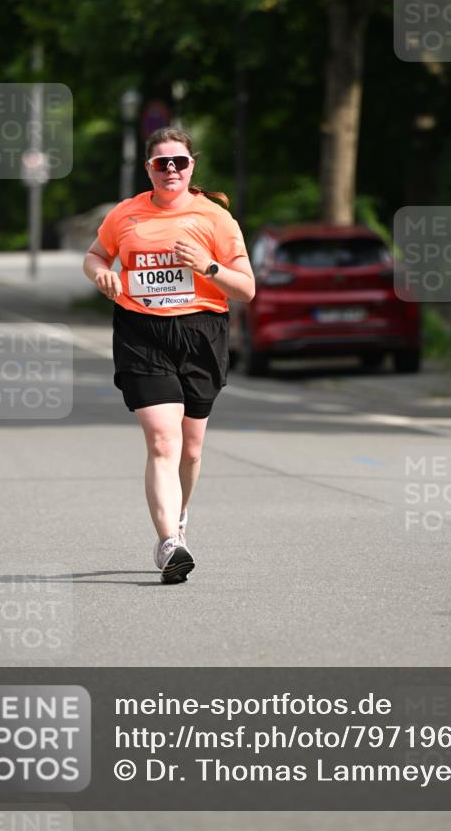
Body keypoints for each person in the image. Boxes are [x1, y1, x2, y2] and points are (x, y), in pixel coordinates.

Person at [82, 128, 255, 584]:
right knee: (162, 439)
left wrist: (208, 266)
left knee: (191, 450)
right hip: (142, 331)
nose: (171, 170)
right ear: (149, 169)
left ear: (192, 165)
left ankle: (179, 516)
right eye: (162, 164)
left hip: (201, 332)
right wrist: (102, 275)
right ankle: (168, 544)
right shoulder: (126, 215)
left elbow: (247, 289)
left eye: (179, 162)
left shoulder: (214, 219)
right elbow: (95, 256)